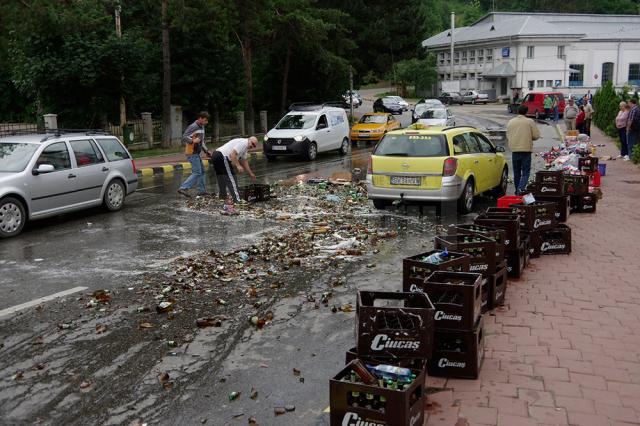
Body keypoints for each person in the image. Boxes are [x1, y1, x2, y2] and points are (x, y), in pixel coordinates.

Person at [211, 136, 258, 206]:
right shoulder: (244, 143)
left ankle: (222, 197)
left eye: (254, 146)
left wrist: (250, 173)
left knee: (221, 177)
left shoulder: (245, 147)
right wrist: (238, 165)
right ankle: (237, 200)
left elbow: (244, 161)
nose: (252, 146)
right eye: (252, 144)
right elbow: (232, 154)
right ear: (249, 140)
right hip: (222, 156)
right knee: (232, 178)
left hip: (216, 155)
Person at [507, 105, 541, 195]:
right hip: (526, 150)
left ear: (518, 111)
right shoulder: (529, 121)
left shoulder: (511, 122)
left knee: (516, 172)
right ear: (526, 112)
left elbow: (508, 135)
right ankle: (520, 190)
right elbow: (536, 136)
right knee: (525, 172)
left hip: (515, 150)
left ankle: (517, 190)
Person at [178, 111, 210, 197]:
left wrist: (206, 151)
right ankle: (183, 188)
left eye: (207, 121)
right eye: (205, 120)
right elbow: (184, 137)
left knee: (202, 171)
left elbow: (201, 141)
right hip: (191, 152)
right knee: (197, 172)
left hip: (196, 153)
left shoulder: (202, 127)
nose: (206, 122)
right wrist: (192, 141)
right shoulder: (193, 126)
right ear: (200, 118)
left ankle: (201, 191)